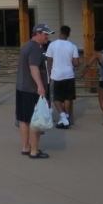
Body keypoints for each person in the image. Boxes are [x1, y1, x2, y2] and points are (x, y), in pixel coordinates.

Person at [16, 24, 54, 159]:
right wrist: (40, 86)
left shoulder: (26, 45)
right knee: (35, 120)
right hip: (32, 89)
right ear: (38, 34)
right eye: (45, 34)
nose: (47, 37)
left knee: (24, 119)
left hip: (22, 87)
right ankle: (34, 151)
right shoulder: (35, 48)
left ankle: (26, 147)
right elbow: (34, 68)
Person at [45, 25, 80, 129]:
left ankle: (63, 116)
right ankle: (67, 116)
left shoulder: (52, 45)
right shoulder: (73, 46)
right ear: (68, 34)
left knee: (55, 97)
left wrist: (49, 74)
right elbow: (76, 63)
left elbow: (49, 62)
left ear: (60, 32)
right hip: (69, 74)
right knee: (68, 97)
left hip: (56, 75)